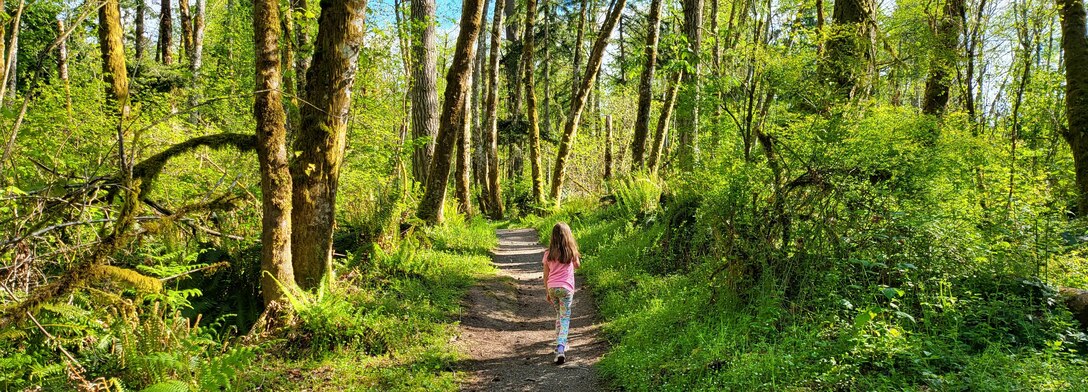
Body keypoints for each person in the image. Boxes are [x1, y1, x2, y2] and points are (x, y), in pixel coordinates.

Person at [542, 222, 581, 365]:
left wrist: (547, 291)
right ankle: (560, 348)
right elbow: (577, 265)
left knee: (559, 315)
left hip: (552, 288)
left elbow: (545, 275)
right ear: (568, 236)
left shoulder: (548, 254)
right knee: (565, 318)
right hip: (566, 289)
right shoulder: (570, 252)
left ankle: (560, 343)